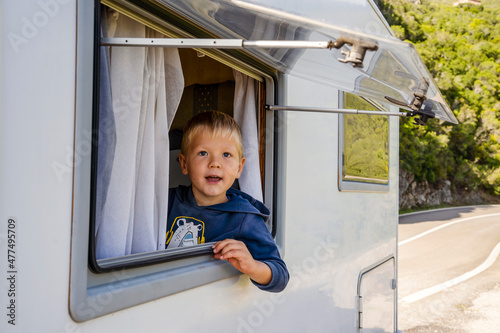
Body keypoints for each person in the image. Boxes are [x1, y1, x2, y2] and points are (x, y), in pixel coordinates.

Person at [166, 111, 289, 292]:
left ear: (240, 168)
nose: (215, 163)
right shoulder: (168, 201)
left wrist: (252, 266)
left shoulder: (244, 218)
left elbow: (280, 276)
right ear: (184, 164)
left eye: (226, 155)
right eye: (203, 153)